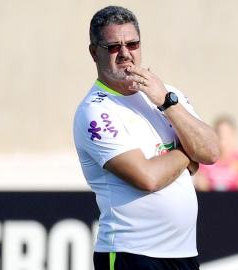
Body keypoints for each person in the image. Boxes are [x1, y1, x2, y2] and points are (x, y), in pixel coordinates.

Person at [73, 5, 220, 270]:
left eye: (132, 43)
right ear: (94, 52)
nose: (125, 53)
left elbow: (210, 152)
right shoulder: (96, 110)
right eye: (113, 47)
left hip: (183, 253)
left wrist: (166, 102)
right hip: (132, 254)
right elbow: (147, 178)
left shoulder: (165, 93)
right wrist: (187, 153)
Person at [193, 115, 238, 191]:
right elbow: (201, 186)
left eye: (227, 134)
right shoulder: (206, 159)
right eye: (220, 134)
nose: (223, 139)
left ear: (233, 135)